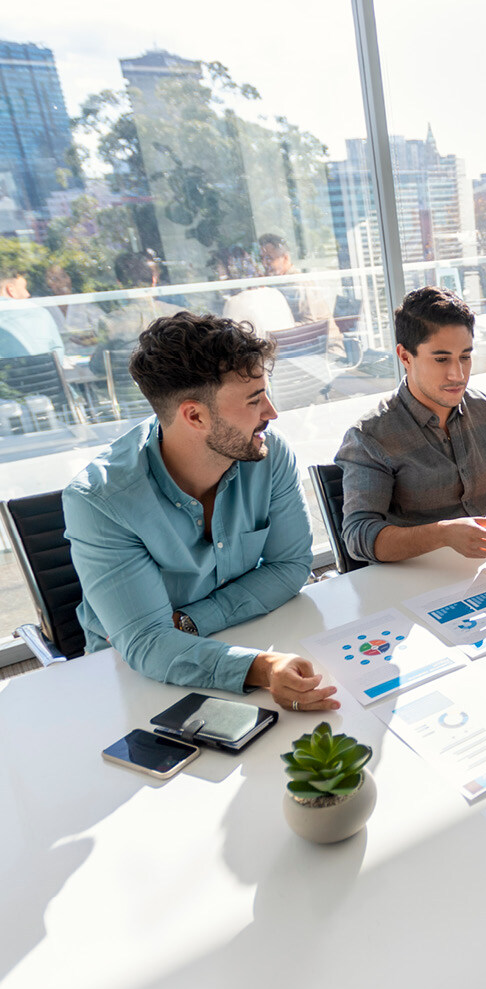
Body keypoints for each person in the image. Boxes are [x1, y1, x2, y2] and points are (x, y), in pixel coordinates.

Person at [64, 311, 338, 713]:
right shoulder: (100, 501)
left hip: (248, 633)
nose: (272, 412)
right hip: (126, 673)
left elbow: (291, 565)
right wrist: (261, 667)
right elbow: (147, 643)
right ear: (195, 415)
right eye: (254, 399)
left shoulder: (269, 453)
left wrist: (192, 622)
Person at [335, 285, 486, 563]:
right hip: (412, 578)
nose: (458, 374)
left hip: (479, 567)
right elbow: (358, 537)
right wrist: (442, 534)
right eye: (441, 359)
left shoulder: (482, 408)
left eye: (465, 356)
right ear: (405, 357)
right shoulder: (370, 437)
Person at [89, 250, 183, 377]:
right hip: (174, 393)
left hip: (131, 395)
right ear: (154, 279)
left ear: (119, 283)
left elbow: (98, 367)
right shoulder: (179, 315)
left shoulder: (110, 322)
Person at [258, 233, 344, 358]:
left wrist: (278, 329)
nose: (264, 263)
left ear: (285, 258)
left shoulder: (299, 283)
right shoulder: (279, 282)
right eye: (262, 258)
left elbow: (311, 325)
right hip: (305, 346)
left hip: (326, 350)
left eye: (269, 258)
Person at [0, 264, 64, 360]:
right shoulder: (41, 313)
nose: (28, 294)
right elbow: (58, 354)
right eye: (24, 288)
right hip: (46, 374)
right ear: (11, 290)